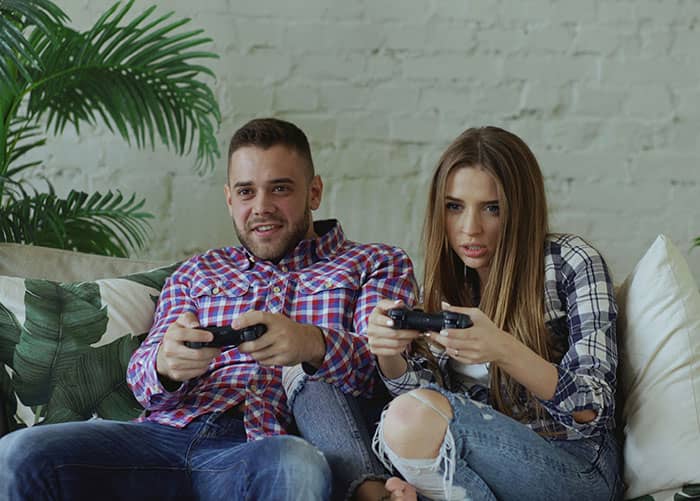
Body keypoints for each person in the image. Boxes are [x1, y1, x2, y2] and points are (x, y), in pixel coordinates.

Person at [0, 117, 417, 501]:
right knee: (19, 453)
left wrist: (312, 343)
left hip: (261, 451)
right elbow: (141, 382)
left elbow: (388, 376)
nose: (261, 206)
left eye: (280, 188)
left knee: (298, 466)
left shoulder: (374, 264)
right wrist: (167, 363)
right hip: (162, 438)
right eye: (246, 191)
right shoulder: (198, 271)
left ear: (314, 192)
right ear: (229, 199)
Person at [366, 126, 623, 501]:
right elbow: (425, 403)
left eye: (492, 208)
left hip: (576, 463)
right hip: (489, 462)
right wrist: (388, 353)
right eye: (455, 207)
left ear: (521, 210)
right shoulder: (447, 285)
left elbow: (594, 408)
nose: (470, 229)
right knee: (406, 421)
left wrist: (503, 349)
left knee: (408, 419)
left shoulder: (571, 262)